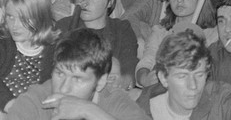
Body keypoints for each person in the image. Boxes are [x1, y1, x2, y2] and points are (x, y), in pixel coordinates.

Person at [6, 28, 148, 120]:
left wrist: (90, 111)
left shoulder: (113, 100)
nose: (64, 88)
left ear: (100, 82)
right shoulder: (38, 99)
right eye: (60, 74)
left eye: (78, 79)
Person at [136, 30, 231, 119]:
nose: (193, 86)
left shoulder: (219, 97)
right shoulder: (142, 108)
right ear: (163, 78)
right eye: (182, 76)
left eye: (199, 75)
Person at [56, 0, 138, 89]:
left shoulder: (121, 29)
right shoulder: (64, 26)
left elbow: (128, 71)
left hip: (109, 94)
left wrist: (120, 81)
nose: (84, 2)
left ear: (110, 2)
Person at [135, 0, 215, 88]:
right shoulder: (160, 32)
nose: (179, 0)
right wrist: (145, 78)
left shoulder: (211, 35)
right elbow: (147, 60)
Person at [0, 0, 59, 112]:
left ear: (40, 16)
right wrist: (11, 105)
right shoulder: (3, 41)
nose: (14, 25)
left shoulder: (56, 48)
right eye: (10, 17)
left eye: (23, 19)